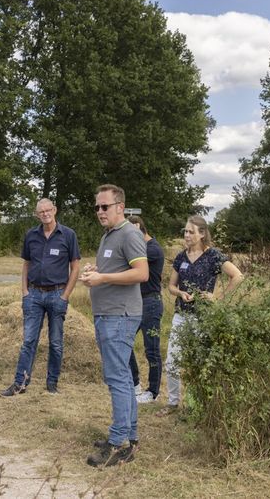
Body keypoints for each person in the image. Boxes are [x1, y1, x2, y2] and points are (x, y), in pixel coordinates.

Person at [80, 184, 148, 467]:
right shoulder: (108, 235)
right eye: (97, 207)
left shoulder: (129, 233)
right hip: (107, 315)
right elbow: (114, 270)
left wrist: (103, 279)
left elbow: (141, 273)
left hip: (119, 316)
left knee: (118, 379)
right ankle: (129, 436)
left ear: (120, 206)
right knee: (119, 377)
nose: (99, 211)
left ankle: (118, 441)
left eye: (104, 206)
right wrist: (96, 272)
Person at [159, 215, 244, 417]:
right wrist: (180, 293)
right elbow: (171, 286)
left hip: (203, 317)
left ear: (202, 234)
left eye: (191, 232)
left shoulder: (213, 256)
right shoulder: (181, 257)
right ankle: (172, 403)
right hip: (181, 315)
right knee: (172, 361)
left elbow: (238, 276)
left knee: (197, 363)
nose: (187, 235)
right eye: (185, 231)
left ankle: (194, 406)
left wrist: (217, 297)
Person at [0, 198, 80, 396]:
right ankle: (20, 383)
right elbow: (26, 263)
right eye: (41, 211)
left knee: (55, 342)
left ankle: (52, 383)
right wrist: (25, 292)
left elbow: (75, 267)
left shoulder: (68, 235)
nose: (45, 214)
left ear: (55, 210)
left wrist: (65, 295)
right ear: (37, 214)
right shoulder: (31, 235)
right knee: (29, 341)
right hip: (34, 295)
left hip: (57, 294)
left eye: (48, 210)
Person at [126, 215, 165, 404]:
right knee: (125, 343)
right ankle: (134, 385)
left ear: (137, 227)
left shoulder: (152, 249)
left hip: (150, 302)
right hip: (136, 302)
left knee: (152, 349)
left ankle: (153, 392)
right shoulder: (141, 247)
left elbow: (129, 263)